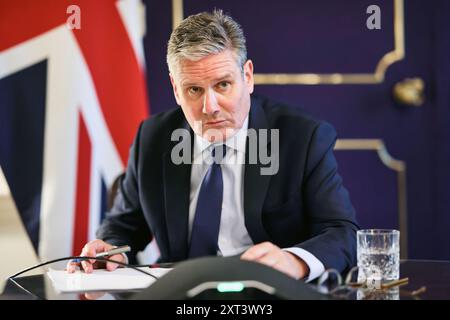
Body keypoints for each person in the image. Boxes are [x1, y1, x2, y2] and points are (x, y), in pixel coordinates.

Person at [67, 10, 359, 282]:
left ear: (247, 76)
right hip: (182, 293)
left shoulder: (301, 137)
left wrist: (292, 261)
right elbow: (123, 225)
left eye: (222, 85)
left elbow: (341, 232)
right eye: (194, 90)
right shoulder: (153, 138)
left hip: (270, 292)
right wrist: (110, 251)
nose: (210, 108)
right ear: (175, 89)